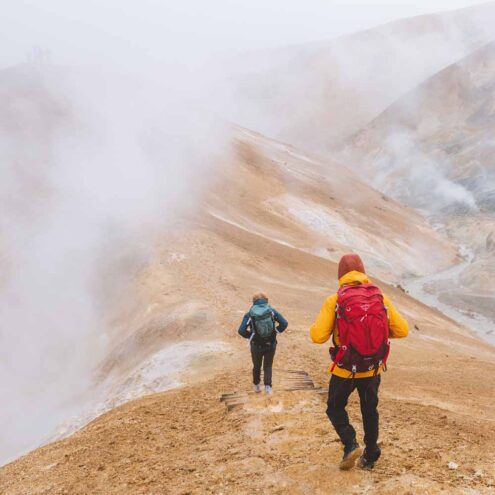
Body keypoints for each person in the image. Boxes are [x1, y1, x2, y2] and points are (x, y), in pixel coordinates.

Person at [310, 254, 408, 470]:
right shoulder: (380, 297)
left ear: (340, 274)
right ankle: (371, 454)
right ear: (363, 272)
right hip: (373, 368)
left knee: (335, 407)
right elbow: (403, 330)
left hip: (346, 369)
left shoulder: (335, 300)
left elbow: (317, 337)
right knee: (369, 409)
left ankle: (350, 443)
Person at [238, 293, 288, 394]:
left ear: (254, 302)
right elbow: (284, 323)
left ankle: (256, 386)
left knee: (256, 366)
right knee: (268, 366)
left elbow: (241, 330)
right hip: (271, 343)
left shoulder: (250, 314)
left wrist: (251, 336)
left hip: (256, 345)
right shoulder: (271, 311)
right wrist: (275, 332)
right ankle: (268, 388)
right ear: (266, 301)